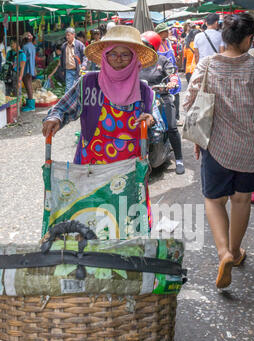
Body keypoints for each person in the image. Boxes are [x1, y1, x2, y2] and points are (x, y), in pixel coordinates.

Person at [183, 13, 254, 289]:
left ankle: (224, 253)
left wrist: (197, 136)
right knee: (241, 200)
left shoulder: (207, 65)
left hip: (215, 146)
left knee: (214, 200)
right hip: (250, 148)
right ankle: (237, 251)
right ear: (249, 39)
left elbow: (191, 104)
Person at [42, 26, 158, 231]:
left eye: (125, 55)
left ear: (134, 59)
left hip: (129, 170)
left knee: (127, 220)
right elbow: (62, 108)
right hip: (91, 166)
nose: (118, 59)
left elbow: (155, 117)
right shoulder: (87, 83)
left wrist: (151, 118)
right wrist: (55, 117)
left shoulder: (144, 90)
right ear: (104, 56)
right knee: (90, 219)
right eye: (113, 53)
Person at [140, 31, 185, 175]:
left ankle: (179, 160)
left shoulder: (162, 60)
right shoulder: (137, 62)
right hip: (141, 100)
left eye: (144, 45)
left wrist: (172, 82)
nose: (142, 48)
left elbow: (173, 74)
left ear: (152, 46)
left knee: (172, 127)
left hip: (160, 97)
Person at [155, 22, 182, 125]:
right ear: (160, 33)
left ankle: (176, 117)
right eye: (166, 31)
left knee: (176, 95)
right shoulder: (156, 45)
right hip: (162, 74)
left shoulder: (168, 42)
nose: (168, 32)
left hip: (173, 72)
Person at [60, 27, 88, 92]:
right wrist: (62, 69)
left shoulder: (79, 44)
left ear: (73, 35)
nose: (67, 37)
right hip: (68, 70)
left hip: (78, 70)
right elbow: (61, 58)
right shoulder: (64, 46)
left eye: (68, 35)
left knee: (78, 88)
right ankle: (68, 102)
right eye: (66, 35)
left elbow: (85, 55)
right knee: (68, 88)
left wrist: (84, 65)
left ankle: (77, 102)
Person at [21, 32, 37, 112]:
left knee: (28, 87)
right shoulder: (32, 46)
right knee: (29, 85)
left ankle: (31, 106)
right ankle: (30, 104)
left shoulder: (24, 47)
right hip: (30, 68)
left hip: (26, 68)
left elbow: (23, 59)